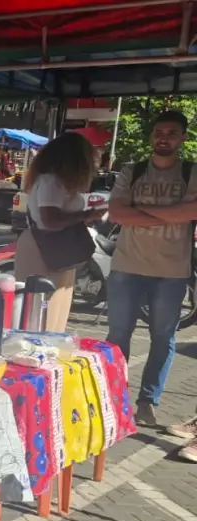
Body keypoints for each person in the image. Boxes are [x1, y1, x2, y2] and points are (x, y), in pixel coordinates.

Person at [105, 110, 197, 437]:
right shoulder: (133, 171)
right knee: (117, 337)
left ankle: (147, 401)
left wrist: (139, 214)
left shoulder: (191, 173)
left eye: (172, 132)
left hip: (171, 272)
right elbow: (116, 212)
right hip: (127, 267)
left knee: (162, 338)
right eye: (159, 131)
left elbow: (192, 211)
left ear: (182, 137)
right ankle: (114, 399)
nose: (164, 136)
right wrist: (171, 216)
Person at [14, 132, 103, 333]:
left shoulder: (57, 182)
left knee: (56, 305)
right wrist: (85, 215)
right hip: (44, 247)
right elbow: (50, 220)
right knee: (43, 306)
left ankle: (48, 345)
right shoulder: (50, 181)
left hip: (57, 247)